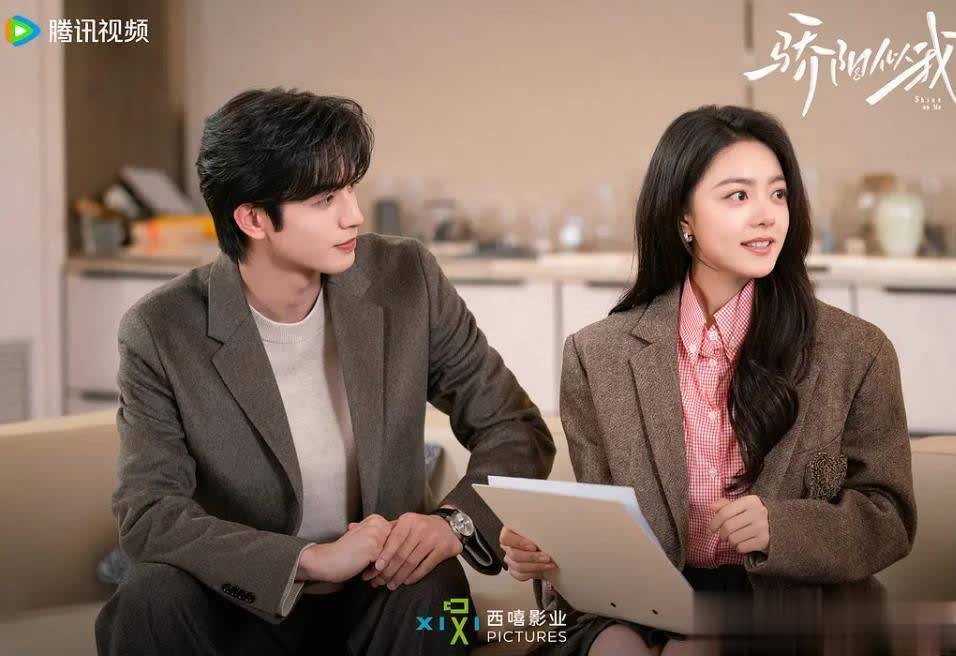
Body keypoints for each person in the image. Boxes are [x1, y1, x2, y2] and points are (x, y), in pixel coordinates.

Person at [95, 88, 555, 655]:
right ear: (253, 218)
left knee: (434, 589)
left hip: (384, 589)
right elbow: (149, 513)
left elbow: (514, 427)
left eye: (351, 188)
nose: (353, 214)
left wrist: (452, 523)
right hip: (246, 603)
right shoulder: (161, 330)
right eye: (325, 199)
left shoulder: (406, 277)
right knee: (148, 598)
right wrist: (308, 560)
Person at [500, 105, 916, 655]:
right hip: (645, 604)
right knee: (613, 647)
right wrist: (549, 557)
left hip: (785, 605)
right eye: (738, 195)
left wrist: (781, 528)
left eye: (778, 194)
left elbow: (888, 516)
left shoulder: (856, 352)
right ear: (683, 217)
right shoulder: (597, 356)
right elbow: (603, 529)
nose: (766, 215)